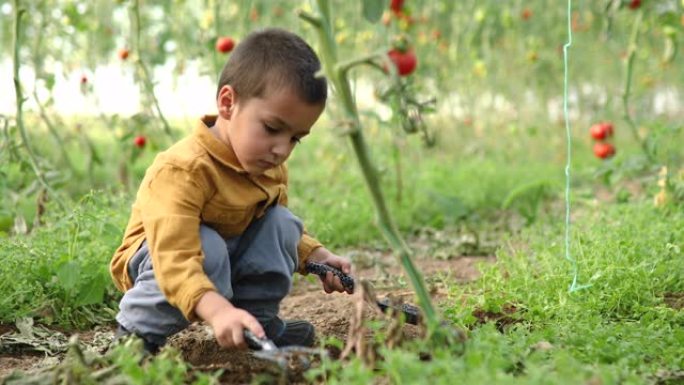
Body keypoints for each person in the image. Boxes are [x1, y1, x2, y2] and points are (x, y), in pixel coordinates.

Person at [109, 28, 352, 354]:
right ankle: (137, 339)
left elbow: (267, 227)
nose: (282, 149)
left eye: (295, 138)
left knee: (281, 223)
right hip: (161, 260)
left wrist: (315, 256)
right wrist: (218, 311)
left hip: (220, 253)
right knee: (207, 245)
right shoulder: (183, 169)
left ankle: (256, 326)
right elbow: (174, 258)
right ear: (227, 103)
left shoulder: (267, 165)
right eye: (272, 128)